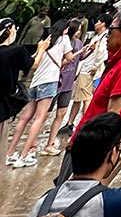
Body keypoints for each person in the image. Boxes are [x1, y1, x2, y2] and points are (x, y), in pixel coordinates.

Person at [54, 7, 121, 187]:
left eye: (111, 30)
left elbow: (111, 117)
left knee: (65, 197)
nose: (107, 35)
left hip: (88, 150)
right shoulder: (119, 60)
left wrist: (87, 162)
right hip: (83, 143)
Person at [6, 18, 77, 167]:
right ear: (65, 29)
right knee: (39, 118)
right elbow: (70, 58)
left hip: (36, 82)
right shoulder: (64, 39)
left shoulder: (47, 40)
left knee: (25, 118)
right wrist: (79, 53)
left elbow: (35, 61)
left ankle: (10, 153)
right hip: (49, 81)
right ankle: (24, 155)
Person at [41, 19, 87, 155]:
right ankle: (31, 144)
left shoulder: (78, 43)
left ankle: (50, 144)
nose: (78, 33)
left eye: (80, 30)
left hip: (69, 82)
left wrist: (88, 51)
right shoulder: (61, 41)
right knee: (45, 114)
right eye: (77, 30)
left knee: (61, 113)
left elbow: (80, 58)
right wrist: (75, 54)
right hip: (57, 80)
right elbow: (64, 60)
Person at [66, 16, 108, 134]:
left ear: (103, 23)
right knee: (79, 98)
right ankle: (70, 122)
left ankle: (86, 124)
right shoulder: (98, 36)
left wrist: (95, 68)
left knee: (86, 98)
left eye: (98, 21)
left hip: (88, 70)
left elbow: (102, 56)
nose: (96, 24)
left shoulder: (104, 38)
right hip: (86, 69)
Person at [0, 19, 34, 154]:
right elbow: (32, 64)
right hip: (2, 109)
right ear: (8, 30)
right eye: (14, 28)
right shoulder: (16, 50)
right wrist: (42, 49)